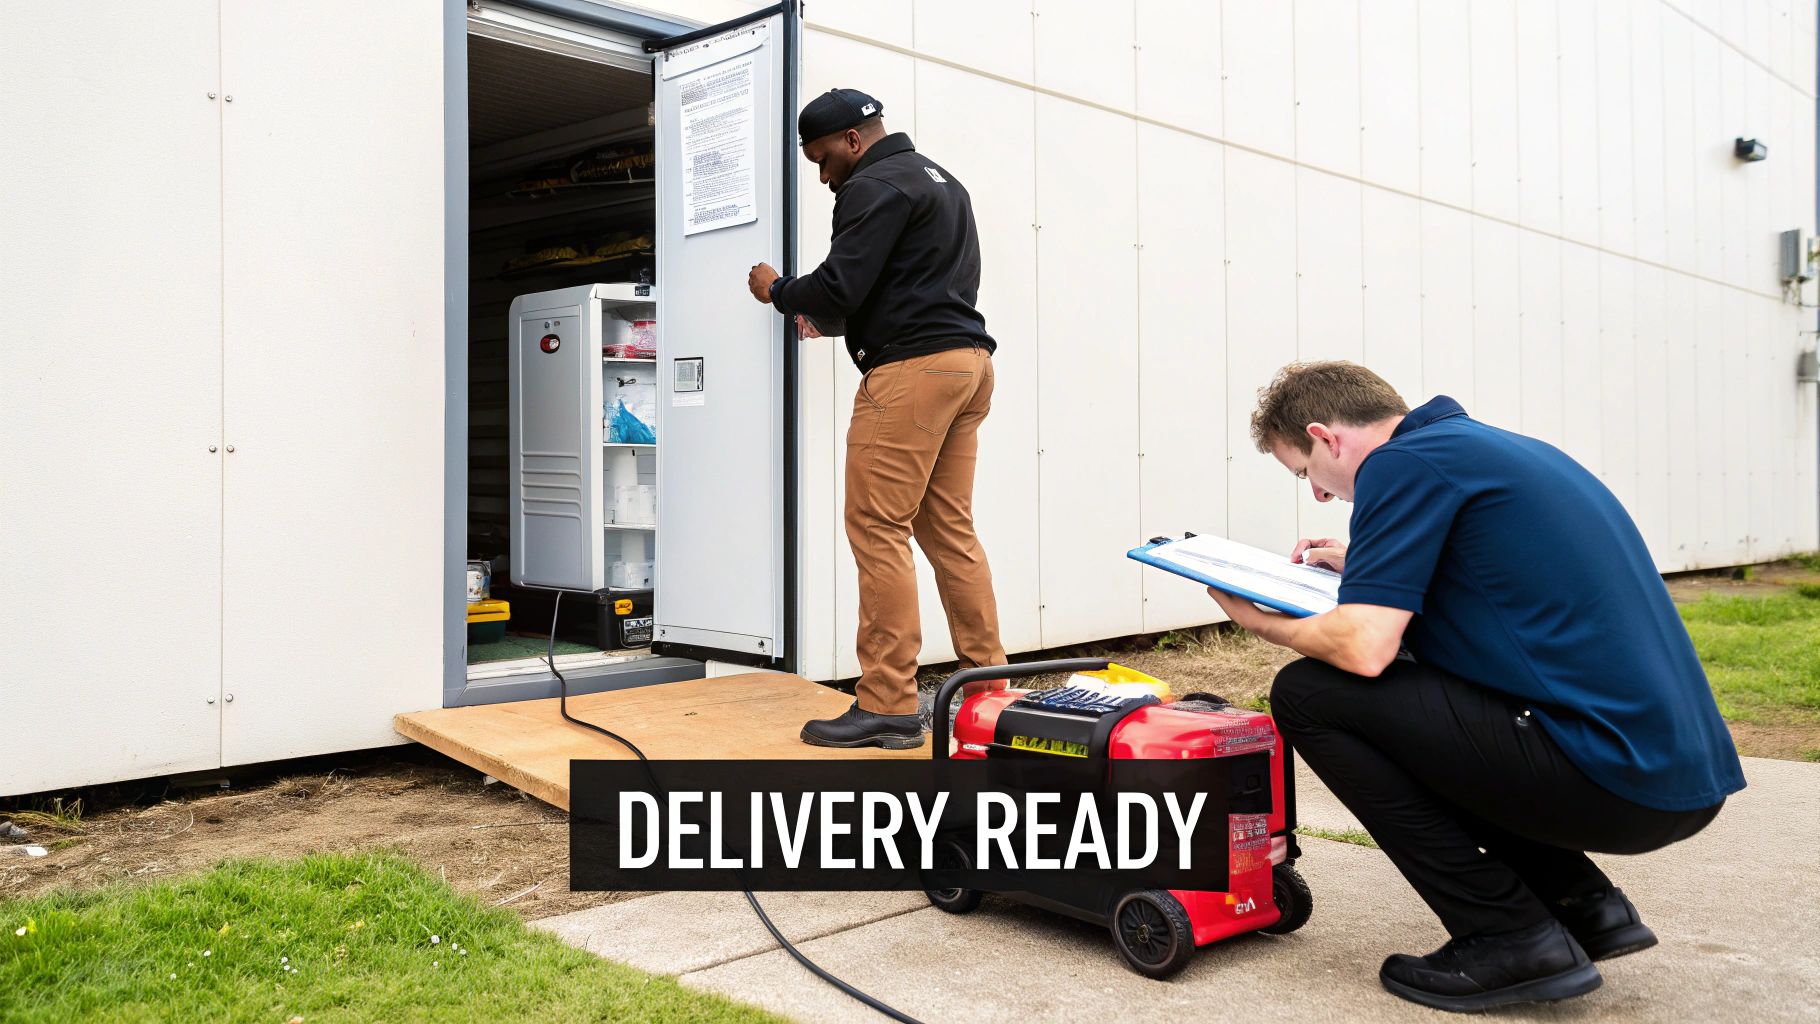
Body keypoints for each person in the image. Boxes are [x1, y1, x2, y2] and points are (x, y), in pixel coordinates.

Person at [1212, 361, 1744, 1013]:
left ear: (1328, 438)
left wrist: (1265, 625)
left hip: (1614, 780)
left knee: (1310, 694)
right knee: (1422, 707)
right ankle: (1581, 904)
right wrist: (1372, 561)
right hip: (1674, 775)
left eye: (1303, 473)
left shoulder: (1400, 467)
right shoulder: (1487, 450)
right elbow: (1492, 576)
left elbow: (1366, 647)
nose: (1318, 496)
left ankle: (1508, 935)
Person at [745, 88, 1006, 749]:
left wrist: (777, 290)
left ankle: (888, 703)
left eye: (823, 157)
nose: (822, 173)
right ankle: (989, 694)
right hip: (967, 364)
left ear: (853, 141)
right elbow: (899, 287)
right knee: (948, 531)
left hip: (913, 374)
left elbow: (839, 287)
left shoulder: (873, 187)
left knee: (876, 526)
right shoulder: (943, 182)